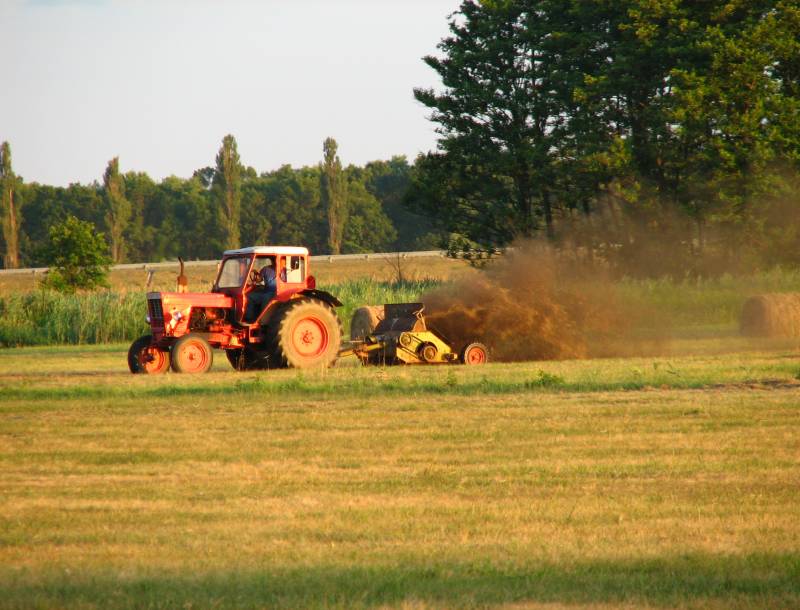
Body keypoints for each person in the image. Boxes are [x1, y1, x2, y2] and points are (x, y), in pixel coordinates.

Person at [244, 258, 276, 322]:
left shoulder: (281, 270)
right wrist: (257, 275)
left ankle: (261, 320)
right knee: (251, 296)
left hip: (274, 293)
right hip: (268, 291)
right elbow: (259, 279)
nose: (275, 262)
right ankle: (250, 318)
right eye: (274, 260)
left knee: (265, 297)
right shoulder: (266, 269)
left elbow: (259, 279)